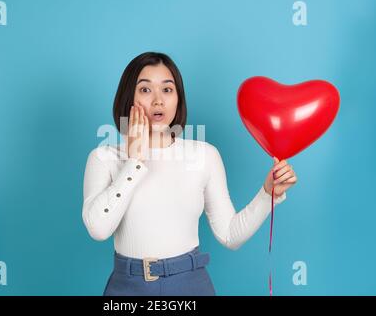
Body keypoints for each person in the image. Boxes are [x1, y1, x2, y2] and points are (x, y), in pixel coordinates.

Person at [82, 52, 297, 296]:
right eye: (145, 90)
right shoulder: (104, 158)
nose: (157, 101)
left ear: (178, 98)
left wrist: (268, 194)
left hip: (190, 285)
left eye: (167, 89)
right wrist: (134, 161)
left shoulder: (204, 156)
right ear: (128, 98)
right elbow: (98, 229)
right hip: (128, 288)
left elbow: (230, 235)